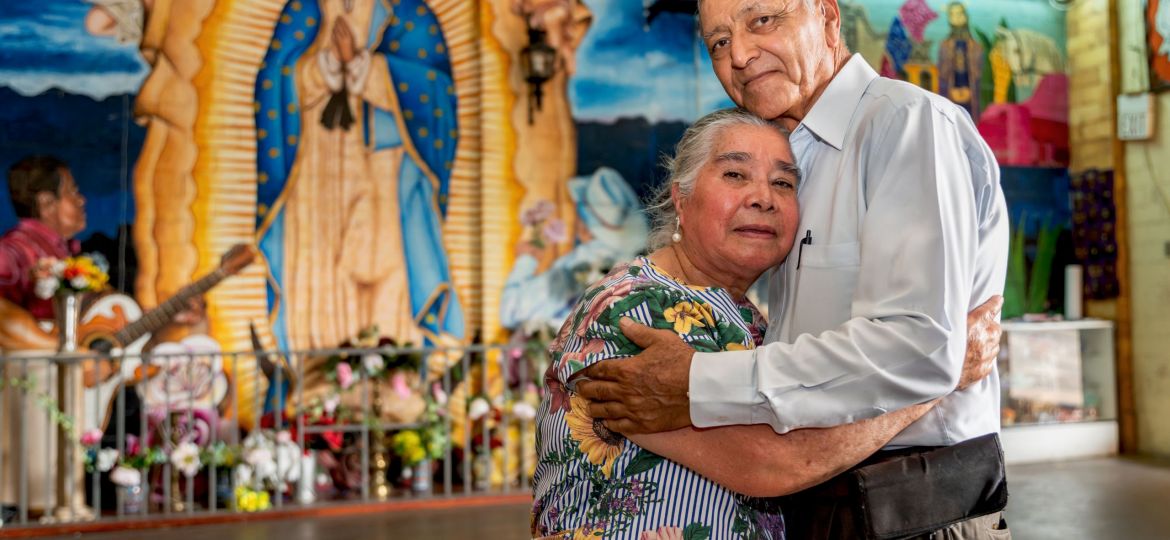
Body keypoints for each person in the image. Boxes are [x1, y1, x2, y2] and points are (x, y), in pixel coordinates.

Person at [576, 0, 1010, 537]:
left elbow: (916, 347)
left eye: (762, 21)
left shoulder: (903, 124)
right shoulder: (797, 157)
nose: (738, 54)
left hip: (914, 506)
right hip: (821, 503)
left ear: (828, 16)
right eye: (717, 42)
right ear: (679, 200)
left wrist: (697, 383)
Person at [254, 0, 464, 352]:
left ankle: (397, 371)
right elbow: (273, 81)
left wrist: (364, 67)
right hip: (313, 177)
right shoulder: (304, 10)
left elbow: (437, 92)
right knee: (318, 277)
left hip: (387, 177)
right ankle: (319, 381)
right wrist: (324, 68)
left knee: (387, 278)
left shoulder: (409, 15)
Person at [500, 167, 649, 333]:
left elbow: (510, 311)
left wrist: (525, 261)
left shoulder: (583, 263)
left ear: (584, 226)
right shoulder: (638, 265)